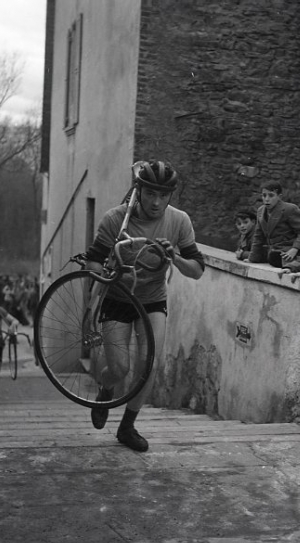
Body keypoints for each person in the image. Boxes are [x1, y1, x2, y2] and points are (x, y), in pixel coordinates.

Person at [84, 160, 205, 452]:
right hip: (118, 298)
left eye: (164, 195)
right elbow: (93, 260)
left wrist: (174, 256)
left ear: (170, 196)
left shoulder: (179, 221)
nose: (156, 202)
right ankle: (106, 388)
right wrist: (105, 279)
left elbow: (197, 269)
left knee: (149, 366)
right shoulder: (115, 219)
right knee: (120, 368)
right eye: (150, 193)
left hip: (152, 300)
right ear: (138, 190)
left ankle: (127, 427)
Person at [247, 181, 300, 272]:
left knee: (299, 263)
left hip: (294, 251)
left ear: (279, 197)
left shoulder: (289, 209)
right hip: (275, 251)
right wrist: (252, 258)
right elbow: (258, 237)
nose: (267, 199)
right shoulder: (261, 211)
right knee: (270, 257)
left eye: (271, 195)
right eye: (264, 195)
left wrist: (294, 249)